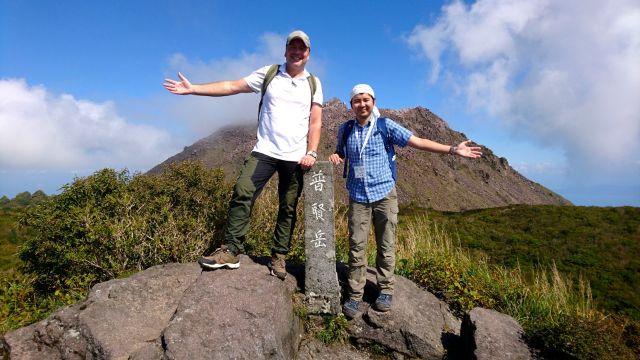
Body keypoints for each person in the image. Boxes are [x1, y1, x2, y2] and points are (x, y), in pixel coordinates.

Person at [163, 30, 323, 280]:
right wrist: (194, 89)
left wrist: (312, 151)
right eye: (292, 47)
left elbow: (315, 122)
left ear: (308, 54)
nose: (297, 52)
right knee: (242, 192)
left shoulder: (313, 83)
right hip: (265, 151)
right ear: (285, 51)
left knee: (288, 207)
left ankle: (279, 257)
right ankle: (231, 250)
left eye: (302, 48)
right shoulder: (270, 73)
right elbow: (232, 86)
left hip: (295, 157)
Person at [329, 84, 482, 318]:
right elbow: (340, 152)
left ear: (373, 101)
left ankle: (385, 290)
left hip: (384, 195)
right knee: (357, 247)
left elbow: (418, 142)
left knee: (386, 246)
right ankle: (355, 294)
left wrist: (452, 149)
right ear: (351, 105)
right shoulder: (345, 129)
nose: (361, 104)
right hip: (358, 197)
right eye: (357, 101)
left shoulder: (385, 126)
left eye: (366, 100)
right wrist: (336, 155)